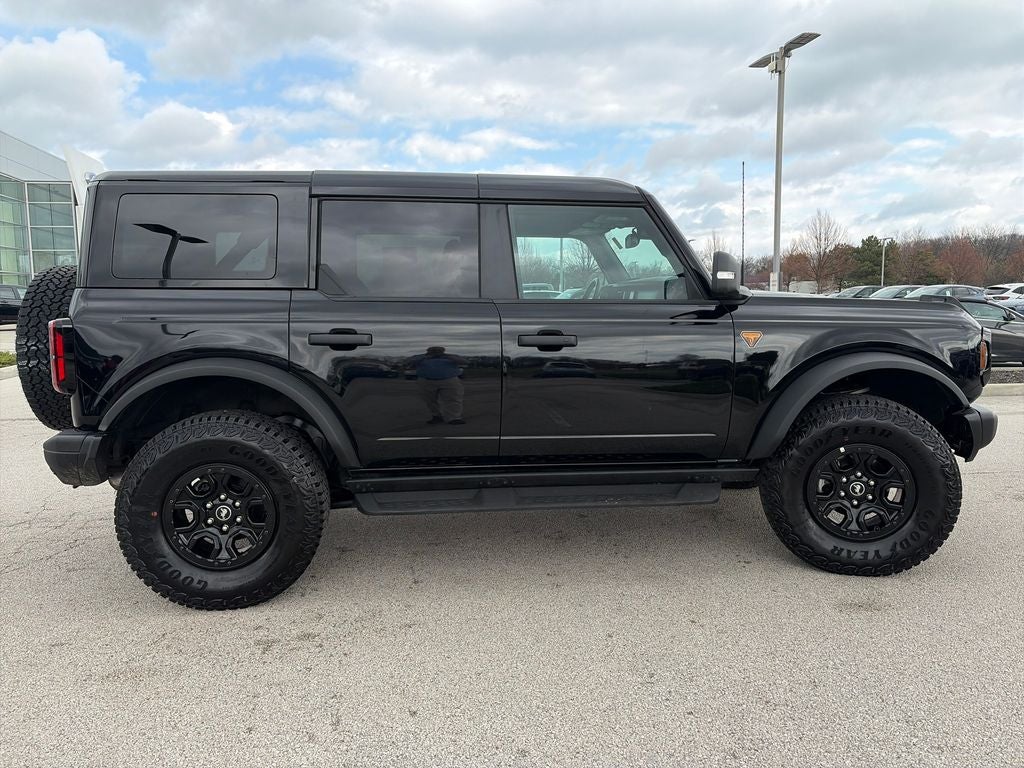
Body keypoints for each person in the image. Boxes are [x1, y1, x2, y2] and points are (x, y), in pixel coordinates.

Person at [410, 346, 468, 424]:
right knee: (430, 400)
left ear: (443, 351)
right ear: (428, 351)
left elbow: (464, 361)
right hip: (426, 380)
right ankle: (436, 416)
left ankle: (454, 418)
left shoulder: (450, 357)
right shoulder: (421, 357)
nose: (436, 352)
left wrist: (448, 357)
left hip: (449, 380)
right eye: (433, 351)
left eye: (438, 351)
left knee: (453, 399)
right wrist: (426, 357)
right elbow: (409, 361)